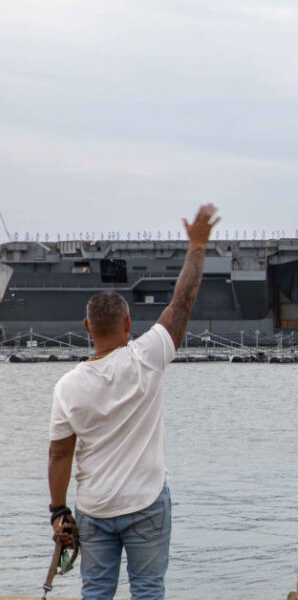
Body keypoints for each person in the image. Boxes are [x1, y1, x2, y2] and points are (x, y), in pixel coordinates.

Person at [47, 204, 220, 599]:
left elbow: (59, 455)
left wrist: (58, 511)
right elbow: (183, 300)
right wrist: (196, 245)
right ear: (128, 324)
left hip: (95, 507)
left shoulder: (66, 386)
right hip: (145, 502)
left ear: (86, 327)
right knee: (147, 590)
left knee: (96, 591)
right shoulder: (148, 355)